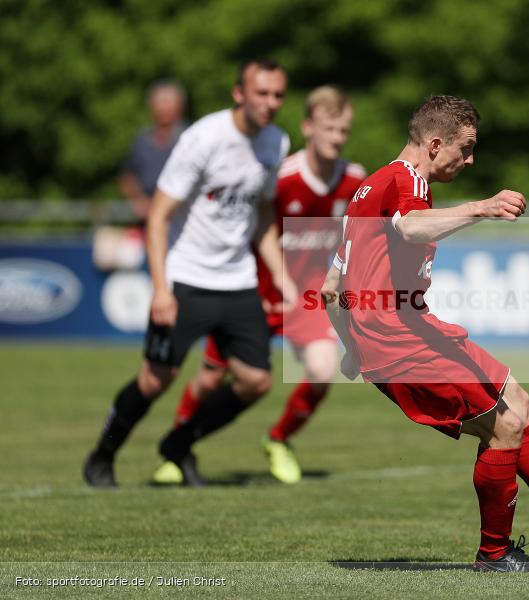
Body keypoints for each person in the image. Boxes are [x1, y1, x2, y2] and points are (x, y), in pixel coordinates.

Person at [319, 95, 529, 571]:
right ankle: (494, 555)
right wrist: (483, 207)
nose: (470, 160)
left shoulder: (368, 188)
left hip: (406, 330)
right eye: (465, 149)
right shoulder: (406, 183)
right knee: (505, 424)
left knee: (518, 405)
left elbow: (330, 289)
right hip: (398, 337)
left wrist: (351, 347)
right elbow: (409, 229)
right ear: (434, 143)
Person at [83, 59, 292, 488]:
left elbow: (265, 215)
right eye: (262, 93)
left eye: (278, 95)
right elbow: (158, 216)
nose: (271, 103)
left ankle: (177, 444)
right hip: (187, 278)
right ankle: (102, 456)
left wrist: (283, 276)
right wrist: (161, 289)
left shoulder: (277, 142)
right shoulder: (203, 138)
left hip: (237, 280)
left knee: (256, 381)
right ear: (239, 93)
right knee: (156, 379)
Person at [169, 85, 366, 484]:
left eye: (343, 131)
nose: (337, 138)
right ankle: (176, 450)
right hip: (254, 290)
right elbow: (252, 226)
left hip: (307, 295)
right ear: (308, 127)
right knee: (210, 378)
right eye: (329, 128)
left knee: (321, 371)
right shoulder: (283, 176)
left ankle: (278, 439)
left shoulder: (353, 180)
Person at [118, 80, 189, 226]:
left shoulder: (190, 137)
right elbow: (127, 176)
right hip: (146, 220)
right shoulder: (142, 139)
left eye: (168, 102)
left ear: (180, 106)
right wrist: (138, 199)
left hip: (181, 218)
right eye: (160, 102)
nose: (164, 108)